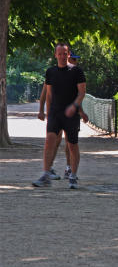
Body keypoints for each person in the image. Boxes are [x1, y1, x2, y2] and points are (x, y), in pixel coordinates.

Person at [33, 43, 86, 189]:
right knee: (49, 141)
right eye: (60, 54)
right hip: (55, 113)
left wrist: (75, 106)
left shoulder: (77, 71)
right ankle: (45, 175)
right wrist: (47, 113)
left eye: (65, 53)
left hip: (71, 114)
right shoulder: (50, 72)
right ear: (55, 55)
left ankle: (73, 177)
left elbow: (82, 93)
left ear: (68, 55)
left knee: (72, 145)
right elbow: (49, 94)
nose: (62, 56)